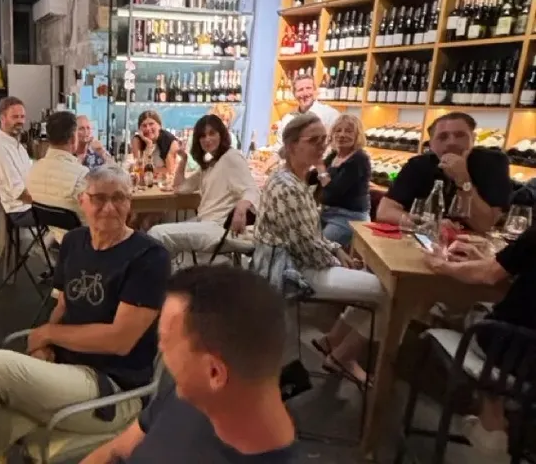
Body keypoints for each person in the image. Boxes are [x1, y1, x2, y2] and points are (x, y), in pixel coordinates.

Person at [0, 164, 170, 464]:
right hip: (64, 373)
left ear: (129, 202)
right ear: (81, 201)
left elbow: (119, 340)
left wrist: (47, 333)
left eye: (119, 197)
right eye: (99, 198)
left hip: (113, 390)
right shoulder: (74, 242)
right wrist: (45, 345)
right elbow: (63, 307)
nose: (109, 207)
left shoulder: (149, 257)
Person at [82, 265, 296, 464]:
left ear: (214, 373)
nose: (161, 350)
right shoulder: (187, 393)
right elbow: (118, 449)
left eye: (167, 341)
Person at [255, 113, 385, 387]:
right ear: (292, 147)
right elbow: (306, 249)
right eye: (314, 140)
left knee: (379, 286)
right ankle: (343, 355)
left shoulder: (294, 178)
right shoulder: (287, 186)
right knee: (388, 294)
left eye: (323, 140)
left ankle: (334, 342)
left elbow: (310, 236)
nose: (322, 146)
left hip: (292, 264)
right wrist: (338, 260)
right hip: (291, 272)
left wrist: (336, 250)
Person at [423, 228, 536, 455]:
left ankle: (491, 419)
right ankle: (501, 410)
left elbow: (488, 275)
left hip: (504, 346)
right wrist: (488, 262)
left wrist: (442, 265)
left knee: (465, 312)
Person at [377, 112, 511, 233]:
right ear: (431, 144)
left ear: (473, 138)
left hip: (474, 248)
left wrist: (463, 179)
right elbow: (384, 212)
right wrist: (427, 224)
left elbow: (484, 225)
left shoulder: (493, 163)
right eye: (443, 137)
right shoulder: (418, 165)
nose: (452, 142)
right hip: (424, 241)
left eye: (460, 136)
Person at [148, 114, 259, 258]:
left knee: (156, 234)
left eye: (212, 133)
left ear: (222, 134)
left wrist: (242, 207)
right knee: (159, 237)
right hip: (206, 223)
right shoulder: (210, 164)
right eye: (202, 136)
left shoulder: (232, 157)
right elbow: (180, 188)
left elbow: (252, 190)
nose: (207, 139)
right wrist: (183, 160)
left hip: (219, 228)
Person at [307, 114, 371, 247]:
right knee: (301, 236)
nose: (342, 135)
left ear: (357, 135)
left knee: (318, 248)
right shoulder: (335, 155)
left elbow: (333, 191)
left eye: (348, 131)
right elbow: (312, 177)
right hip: (327, 213)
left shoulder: (359, 159)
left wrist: (319, 166)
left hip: (349, 218)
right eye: (338, 130)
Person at [27, 111, 89, 242]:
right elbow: (91, 218)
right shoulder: (80, 175)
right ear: (73, 138)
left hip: (58, 236)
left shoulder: (33, 171)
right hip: (84, 243)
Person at [0, 96, 34, 225]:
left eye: (22, 117)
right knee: (68, 216)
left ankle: (49, 243)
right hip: (19, 210)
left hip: (28, 205)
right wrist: (46, 201)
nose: (20, 121)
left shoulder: (16, 144)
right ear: (2, 118)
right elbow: (19, 193)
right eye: (15, 117)